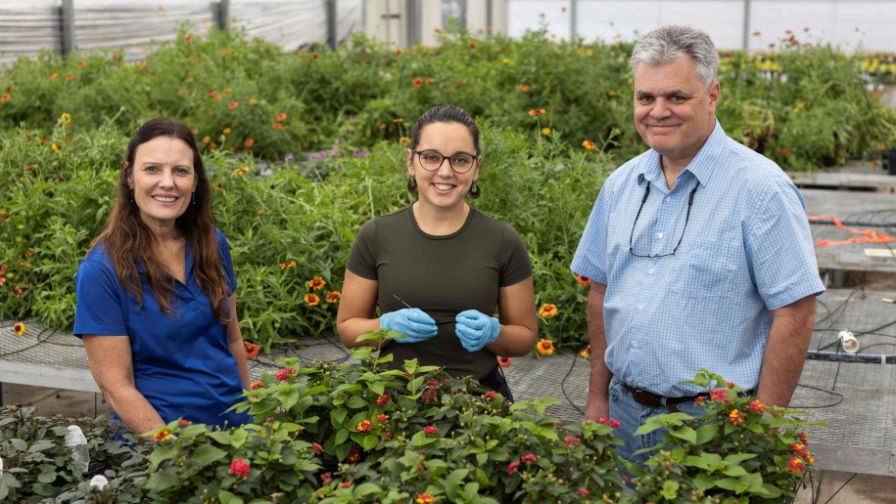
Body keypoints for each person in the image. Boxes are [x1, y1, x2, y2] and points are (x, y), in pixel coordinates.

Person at [570, 25, 824, 461]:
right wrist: (597, 398)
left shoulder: (760, 190)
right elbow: (600, 289)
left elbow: (795, 310)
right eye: (645, 98)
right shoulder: (621, 185)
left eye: (676, 97)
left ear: (712, 96)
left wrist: (762, 427)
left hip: (714, 427)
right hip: (624, 414)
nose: (658, 111)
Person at [336, 105, 538, 398]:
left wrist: (494, 333)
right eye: (431, 157)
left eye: (460, 160)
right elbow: (348, 328)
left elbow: (524, 337)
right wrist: (386, 326)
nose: (445, 171)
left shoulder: (502, 241)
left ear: (476, 167)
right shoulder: (377, 235)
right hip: (395, 400)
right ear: (411, 162)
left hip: (477, 401)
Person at [74, 117, 252, 434]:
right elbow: (118, 388)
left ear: (195, 181)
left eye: (180, 171)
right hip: (161, 447)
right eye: (152, 169)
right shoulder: (101, 269)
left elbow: (233, 340)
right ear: (130, 176)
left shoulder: (212, 243)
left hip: (235, 431)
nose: (167, 182)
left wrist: (253, 418)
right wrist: (176, 455)